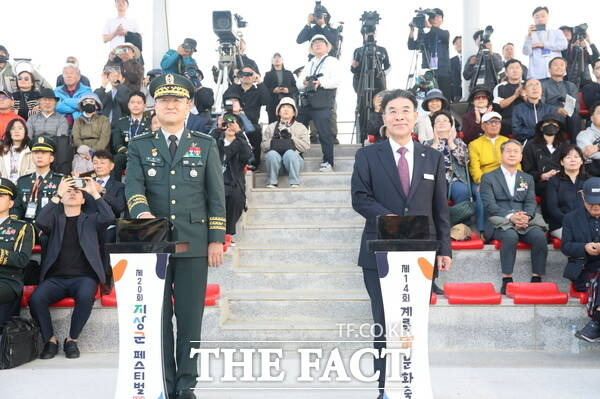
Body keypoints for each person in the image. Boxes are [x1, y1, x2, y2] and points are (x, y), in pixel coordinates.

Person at [125, 73, 225, 399]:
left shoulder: (205, 143)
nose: (170, 105)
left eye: (177, 100)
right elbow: (133, 187)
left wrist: (215, 238)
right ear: (155, 106)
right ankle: (164, 383)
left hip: (195, 242)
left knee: (190, 318)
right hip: (153, 244)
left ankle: (186, 385)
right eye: (164, 100)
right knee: (158, 318)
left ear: (188, 106)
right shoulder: (140, 145)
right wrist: (141, 214)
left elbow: (216, 196)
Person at [351, 89, 451, 397]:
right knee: (385, 325)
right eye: (392, 111)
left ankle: (413, 386)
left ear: (415, 117)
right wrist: (392, 218)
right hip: (379, 252)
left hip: (421, 256)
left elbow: (440, 208)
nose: (399, 116)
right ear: (384, 118)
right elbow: (360, 198)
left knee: (412, 325)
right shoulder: (368, 155)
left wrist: (444, 248)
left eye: (405, 110)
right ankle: (385, 389)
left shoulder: (432, 157)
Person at [29, 176, 114, 359]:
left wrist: (93, 192)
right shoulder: (55, 220)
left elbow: (109, 217)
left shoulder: (91, 220)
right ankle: (50, 340)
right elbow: (40, 221)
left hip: (84, 277)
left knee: (85, 296)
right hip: (56, 278)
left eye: (77, 192)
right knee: (36, 299)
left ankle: (71, 340)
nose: (73, 194)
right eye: (69, 191)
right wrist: (57, 194)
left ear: (84, 200)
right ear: (62, 198)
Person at [480, 139, 548, 294]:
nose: (512, 154)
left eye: (516, 151)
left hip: (524, 220)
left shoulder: (527, 178)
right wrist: (511, 216)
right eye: (508, 151)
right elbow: (489, 205)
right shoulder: (488, 177)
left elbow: (531, 201)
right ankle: (507, 279)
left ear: (521, 156)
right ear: (501, 154)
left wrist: (527, 217)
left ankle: (536, 278)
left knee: (539, 236)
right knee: (510, 236)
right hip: (499, 219)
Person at [561, 177, 600, 343]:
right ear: (583, 197)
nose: (596, 207)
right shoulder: (571, 218)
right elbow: (566, 246)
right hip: (583, 270)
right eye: (591, 203)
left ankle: (596, 322)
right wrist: (584, 247)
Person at [296, 35, 341, 172]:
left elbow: (337, 81)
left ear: (327, 45)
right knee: (297, 129)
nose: (317, 44)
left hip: (322, 102)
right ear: (311, 47)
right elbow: (298, 83)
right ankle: (297, 157)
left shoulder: (333, 61)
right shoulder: (310, 63)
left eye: (321, 42)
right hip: (307, 102)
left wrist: (321, 83)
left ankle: (328, 161)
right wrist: (304, 82)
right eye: (314, 42)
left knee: (324, 133)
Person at [468, 112, 512, 236]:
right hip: (484, 178)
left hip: (505, 177)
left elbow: (515, 164)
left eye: (497, 122)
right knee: (482, 196)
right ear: (483, 126)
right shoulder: (474, 144)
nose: (494, 125)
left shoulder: (507, 142)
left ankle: (509, 227)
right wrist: (482, 181)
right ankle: (482, 231)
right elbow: (474, 168)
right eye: (490, 122)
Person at [210, 113, 252, 238]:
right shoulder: (216, 140)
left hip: (233, 182)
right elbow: (208, 145)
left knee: (236, 198)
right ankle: (216, 232)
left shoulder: (240, 144)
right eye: (226, 124)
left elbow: (247, 154)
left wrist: (238, 132)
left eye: (232, 124)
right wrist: (219, 127)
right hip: (215, 181)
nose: (229, 127)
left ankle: (228, 232)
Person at [522, 114, 569, 220]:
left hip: (562, 180)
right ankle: (551, 221)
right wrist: (542, 176)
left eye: (554, 124)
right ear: (541, 127)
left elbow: (570, 163)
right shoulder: (531, 145)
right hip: (540, 183)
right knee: (549, 187)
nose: (551, 125)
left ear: (559, 127)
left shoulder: (565, 145)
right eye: (547, 123)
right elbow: (527, 171)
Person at [0, 178, 34, 325]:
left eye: (1, 196)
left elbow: (22, 259)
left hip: (8, 281)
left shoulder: (22, 227)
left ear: (11, 203)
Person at [423, 110, 470, 211]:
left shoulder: (458, 142)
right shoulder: (427, 144)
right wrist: (435, 144)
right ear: (433, 126)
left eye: (445, 120)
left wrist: (451, 143)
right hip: (435, 180)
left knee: (463, 191)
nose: (441, 122)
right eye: (438, 121)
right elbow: (424, 165)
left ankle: (462, 222)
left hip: (455, 179)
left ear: (451, 125)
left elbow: (464, 162)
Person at [10, 137, 63, 224]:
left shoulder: (60, 181)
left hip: (50, 230)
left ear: (51, 158)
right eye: (35, 153)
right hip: (27, 230)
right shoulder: (23, 181)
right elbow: (16, 208)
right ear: (31, 157)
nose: (39, 156)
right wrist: (16, 224)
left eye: (44, 153)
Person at [262, 97, 310, 188]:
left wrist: (291, 137)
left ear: (294, 112)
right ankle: (272, 182)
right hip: (277, 163)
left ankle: (294, 182)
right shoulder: (271, 127)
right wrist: (273, 140)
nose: (286, 109)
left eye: (289, 107)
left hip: (294, 162)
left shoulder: (301, 127)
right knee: (271, 154)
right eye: (283, 107)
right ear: (279, 112)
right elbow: (263, 147)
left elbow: (306, 146)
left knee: (290, 153)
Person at [407, 8, 452, 99]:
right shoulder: (425, 36)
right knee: (430, 98)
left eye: (438, 17)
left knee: (444, 98)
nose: (435, 19)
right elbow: (411, 46)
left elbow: (442, 34)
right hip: (428, 73)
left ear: (442, 20)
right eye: (433, 17)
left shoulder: (444, 33)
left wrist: (430, 26)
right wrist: (412, 29)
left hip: (443, 72)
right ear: (429, 19)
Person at [26, 88, 70, 174]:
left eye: (50, 100)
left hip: (53, 152)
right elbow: (28, 138)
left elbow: (60, 140)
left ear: (55, 103)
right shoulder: (32, 119)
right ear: (39, 102)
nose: (47, 103)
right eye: (44, 100)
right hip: (35, 149)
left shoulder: (61, 119)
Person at [546, 144, 586, 239]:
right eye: (568, 157)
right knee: (581, 237)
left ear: (581, 161)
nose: (573, 160)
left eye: (576, 157)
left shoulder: (589, 181)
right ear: (562, 162)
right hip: (561, 225)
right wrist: (571, 222)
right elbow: (553, 209)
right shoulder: (554, 181)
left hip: (586, 224)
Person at [111, 91, 151, 179]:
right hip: (126, 155)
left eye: (139, 103)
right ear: (128, 105)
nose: (135, 105)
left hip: (144, 155)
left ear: (144, 106)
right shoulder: (121, 122)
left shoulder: (150, 122)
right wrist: (127, 152)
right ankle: (116, 188)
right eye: (132, 102)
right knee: (117, 159)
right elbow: (117, 144)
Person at [522, 6, 568, 79]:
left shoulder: (556, 32)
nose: (540, 19)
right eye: (537, 17)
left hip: (555, 73)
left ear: (548, 17)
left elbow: (564, 45)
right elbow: (526, 52)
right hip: (537, 74)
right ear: (533, 19)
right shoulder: (529, 36)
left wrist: (542, 45)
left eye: (543, 16)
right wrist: (529, 36)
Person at [541, 57, 580, 140]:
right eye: (555, 65)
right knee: (556, 117)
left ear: (565, 70)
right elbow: (541, 104)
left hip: (568, 112)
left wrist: (568, 108)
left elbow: (576, 105)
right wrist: (556, 109)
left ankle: (575, 146)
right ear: (549, 70)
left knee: (575, 117)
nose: (559, 67)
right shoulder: (542, 85)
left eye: (562, 65)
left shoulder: (571, 85)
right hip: (551, 113)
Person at [512, 78, 559, 143]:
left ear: (541, 90)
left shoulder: (550, 109)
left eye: (537, 84)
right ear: (524, 91)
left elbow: (554, 129)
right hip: (527, 144)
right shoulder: (518, 109)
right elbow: (516, 130)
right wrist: (538, 131)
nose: (535, 88)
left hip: (548, 143)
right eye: (530, 85)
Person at [263, 53, 298, 123]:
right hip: (272, 104)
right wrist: (273, 90)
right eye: (274, 57)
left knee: (289, 125)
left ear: (282, 60)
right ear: (272, 61)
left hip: (287, 103)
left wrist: (288, 90)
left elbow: (295, 88)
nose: (277, 59)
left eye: (279, 57)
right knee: (273, 125)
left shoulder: (289, 73)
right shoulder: (268, 74)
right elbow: (264, 89)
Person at [493, 59, 525, 135]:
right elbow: (499, 105)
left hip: (525, 120)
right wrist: (515, 95)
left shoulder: (528, 84)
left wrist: (524, 95)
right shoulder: (500, 87)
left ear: (521, 71)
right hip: (507, 121)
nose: (515, 70)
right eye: (511, 68)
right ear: (506, 73)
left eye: (517, 67)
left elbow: (535, 104)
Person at [577, 101, 600, 176]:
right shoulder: (583, 135)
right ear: (592, 118)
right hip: (594, 174)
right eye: (599, 112)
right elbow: (589, 153)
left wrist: (597, 148)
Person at [450, 36, 463, 102]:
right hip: (457, 95)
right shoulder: (451, 61)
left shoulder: (473, 57)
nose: (459, 45)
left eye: (460, 42)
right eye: (456, 43)